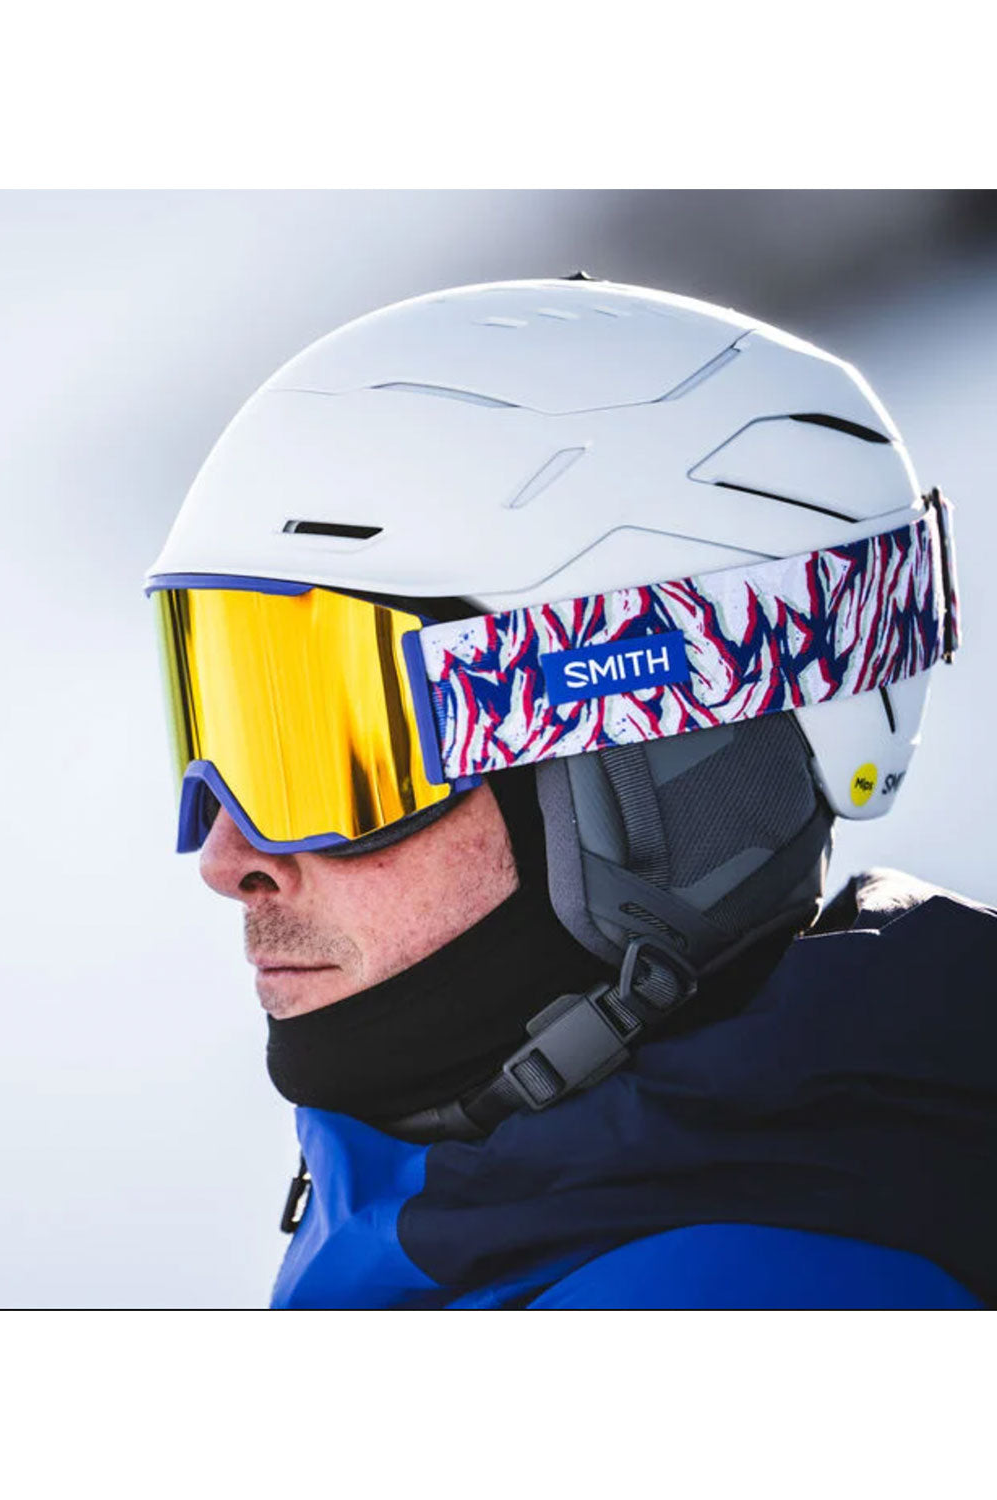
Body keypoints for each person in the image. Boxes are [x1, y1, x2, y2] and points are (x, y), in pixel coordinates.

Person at [146, 275, 995, 1309]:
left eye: (341, 762)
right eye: (240, 737)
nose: (229, 859)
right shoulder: (472, 1219)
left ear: (656, 788)